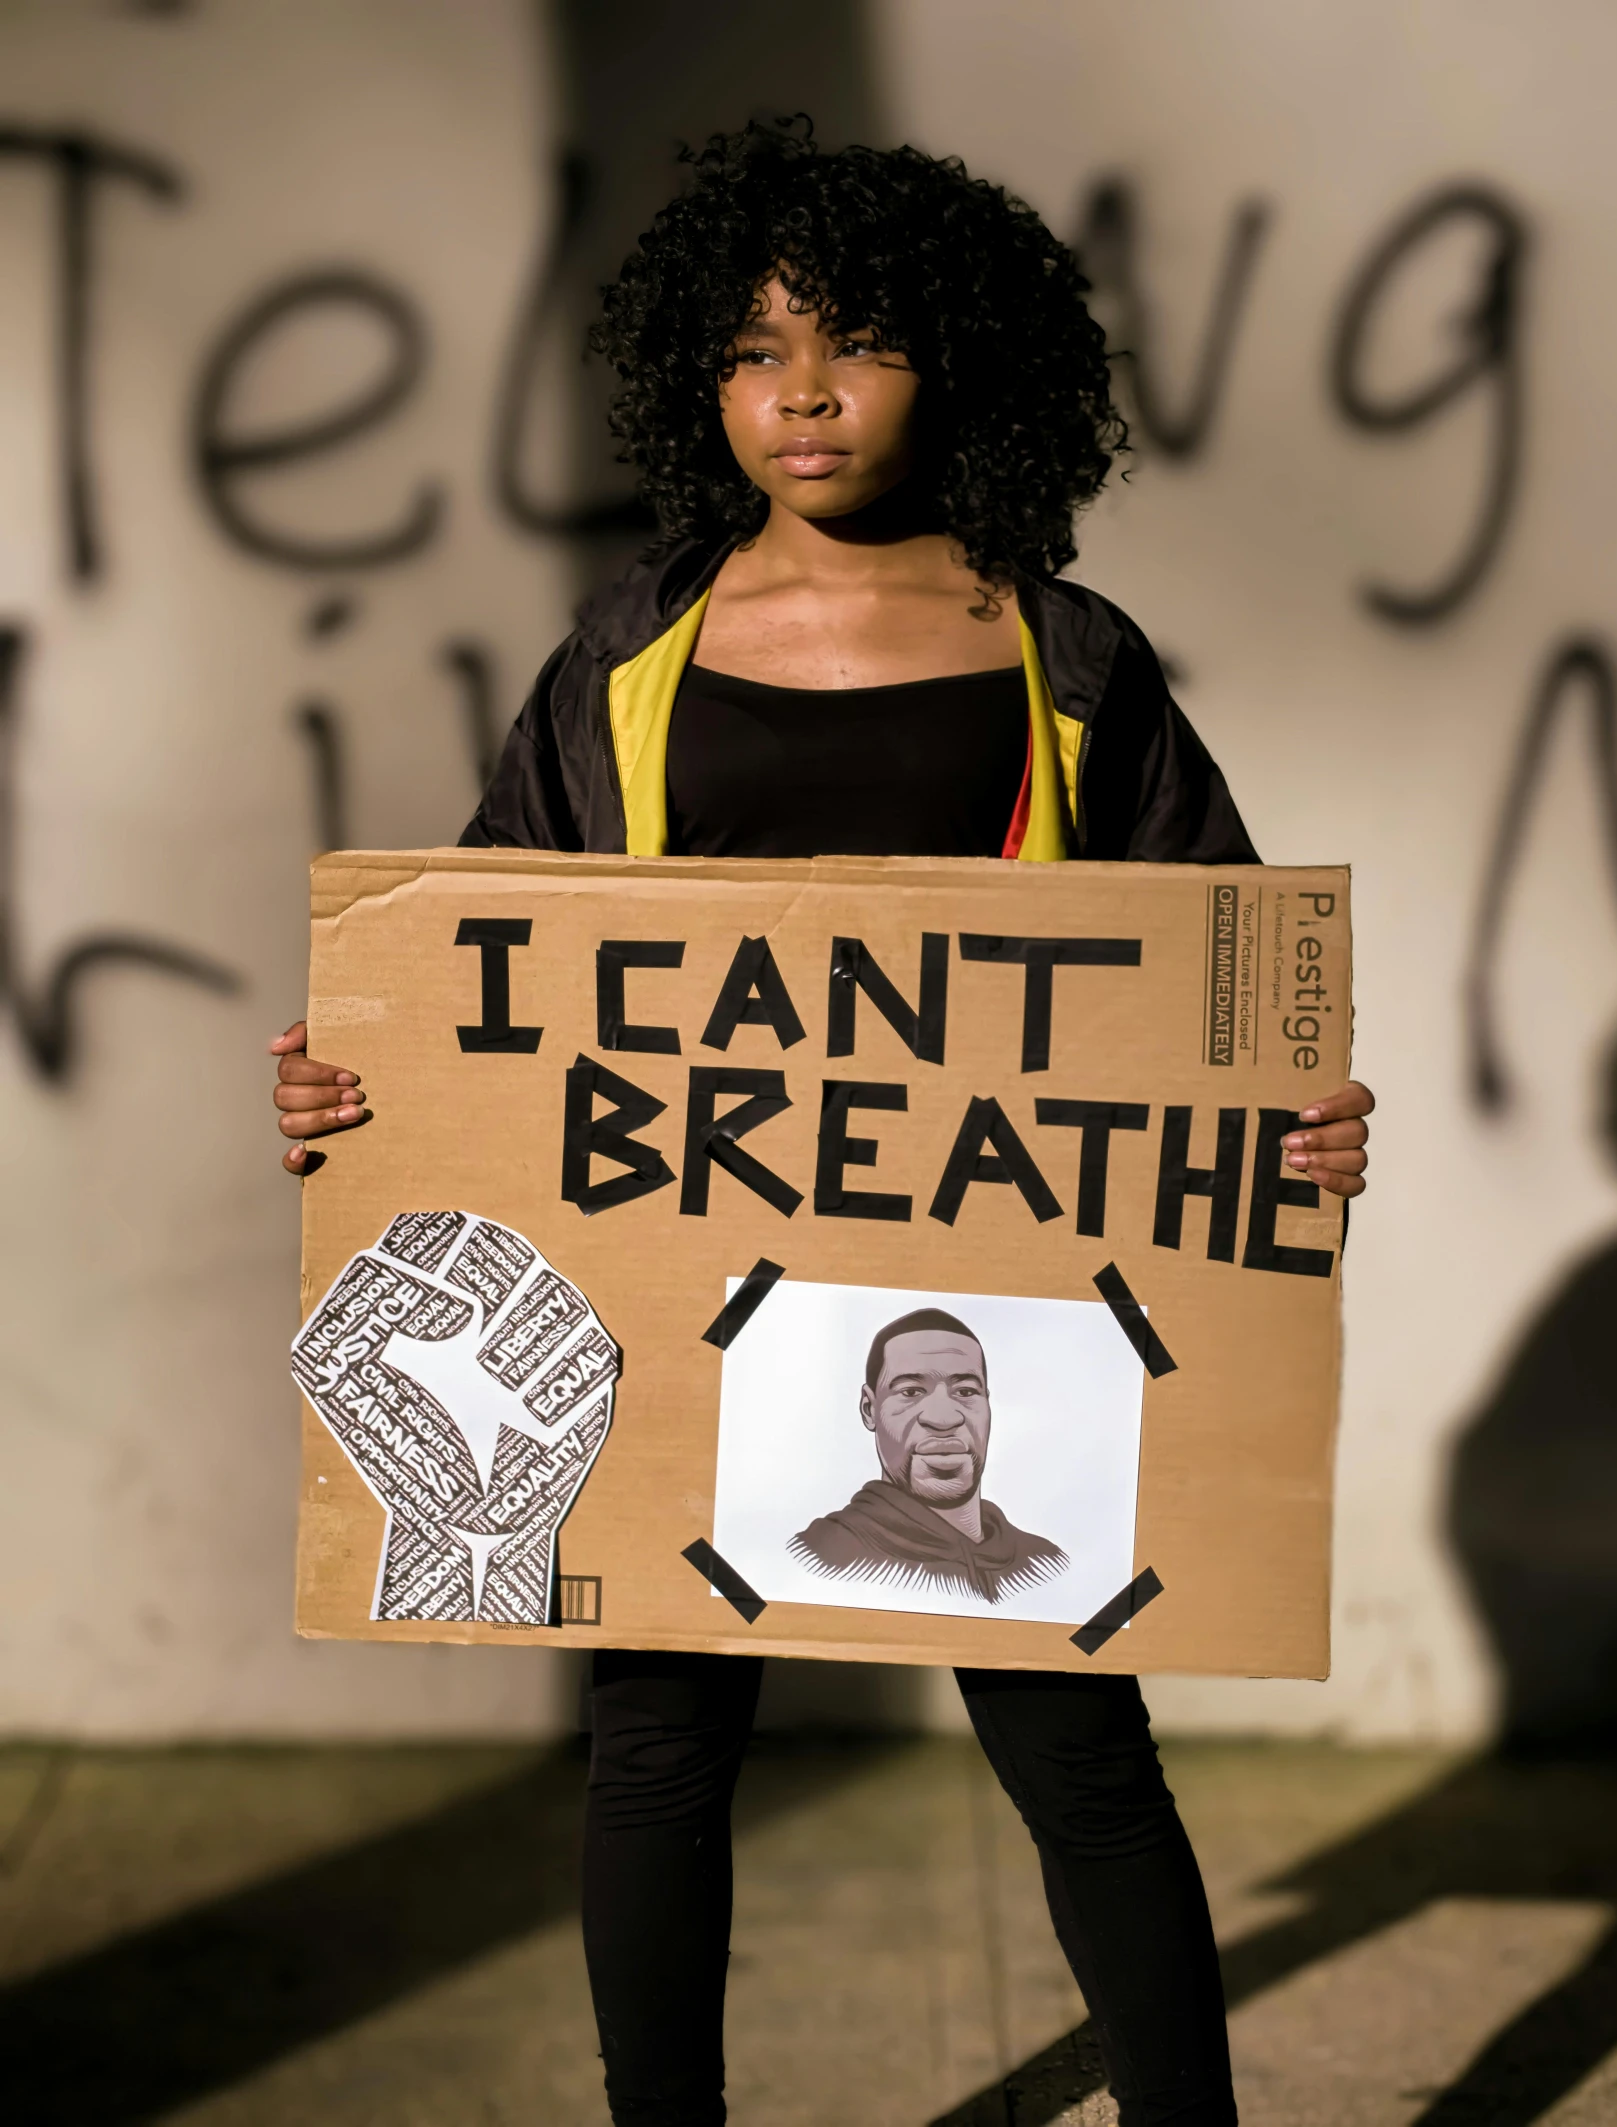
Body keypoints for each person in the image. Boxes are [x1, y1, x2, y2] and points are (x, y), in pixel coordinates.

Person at [270, 121, 1374, 2127]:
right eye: (754, 347)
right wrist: (358, 1079)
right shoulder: (625, 651)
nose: (799, 390)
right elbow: (485, 950)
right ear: (696, 384)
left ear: (956, 365)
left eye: (854, 342)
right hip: (682, 1296)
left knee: (1078, 1755)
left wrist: (1292, 1127)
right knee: (659, 1747)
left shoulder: (1065, 653)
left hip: (992, 1292)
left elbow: (1213, 968)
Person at [791, 1306, 1068, 1602]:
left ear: (987, 1404)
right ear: (869, 1410)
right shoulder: (823, 1558)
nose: (944, 1419)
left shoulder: (1044, 1564)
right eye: (911, 1392)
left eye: (965, 1392)